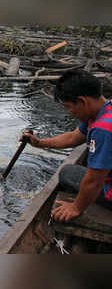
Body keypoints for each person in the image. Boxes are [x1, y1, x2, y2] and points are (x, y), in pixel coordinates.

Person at [23, 69, 112, 223]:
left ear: (83, 101)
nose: (69, 112)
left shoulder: (103, 130)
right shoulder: (104, 110)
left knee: (67, 173)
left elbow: (94, 182)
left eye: (68, 106)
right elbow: (73, 137)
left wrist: (76, 207)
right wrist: (40, 143)